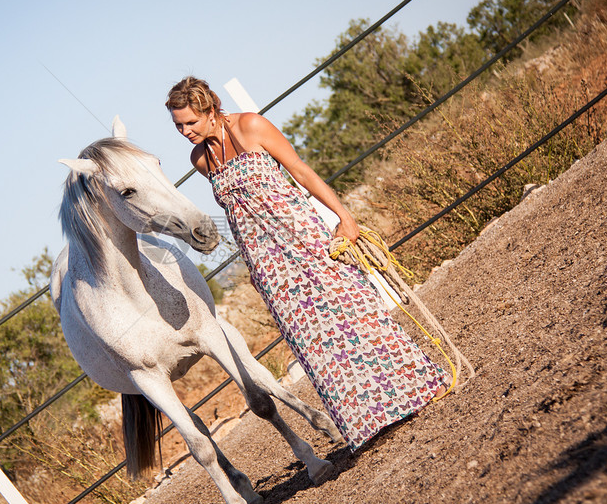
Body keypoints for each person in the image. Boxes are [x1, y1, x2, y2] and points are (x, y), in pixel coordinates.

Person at [165, 76, 447, 450]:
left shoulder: (251, 126)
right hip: (268, 264)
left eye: (190, 122)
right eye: (178, 126)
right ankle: (367, 419)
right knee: (313, 341)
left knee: (355, 309)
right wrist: (252, 266)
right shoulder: (201, 159)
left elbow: (300, 170)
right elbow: (236, 215)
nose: (184, 131)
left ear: (209, 109)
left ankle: (416, 387)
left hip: (304, 237)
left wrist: (344, 218)